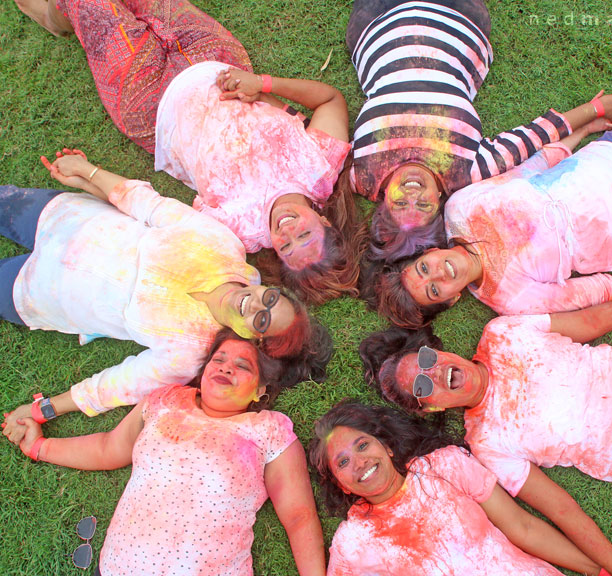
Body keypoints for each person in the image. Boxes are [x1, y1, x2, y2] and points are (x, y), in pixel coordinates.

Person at [360, 270, 612, 574]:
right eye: (422, 385)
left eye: (426, 358)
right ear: (431, 408)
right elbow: (562, 509)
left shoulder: (502, 333)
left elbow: (589, 322)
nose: (435, 372)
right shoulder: (487, 443)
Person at [13, 0, 364, 304]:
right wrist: (263, 84)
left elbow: (154, 210)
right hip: (214, 57)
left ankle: (55, 15)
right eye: (304, 235)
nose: (287, 232)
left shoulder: (236, 232)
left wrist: (86, 174)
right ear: (324, 220)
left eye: (286, 247)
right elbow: (330, 100)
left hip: (151, 102)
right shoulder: (319, 168)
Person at [0, 150, 331, 436]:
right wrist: (87, 175)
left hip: (37, 292)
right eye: (270, 299)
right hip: (65, 217)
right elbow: (148, 206)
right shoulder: (223, 245)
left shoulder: (188, 352)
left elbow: (117, 385)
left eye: (261, 319)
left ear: (252, 336)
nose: (255, 304)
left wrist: (44, 409)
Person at [4, 330, 326, 576]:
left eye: (242, 366)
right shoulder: (165, 402)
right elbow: (108, 448)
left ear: (260, 390)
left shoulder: (267, 431)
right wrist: (39, 446)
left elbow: (299, 517)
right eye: (219, 359)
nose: (226, 368)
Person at [342, 0, 612, 263]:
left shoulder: (361, 175)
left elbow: (313, 155)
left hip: (377, 23)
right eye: (422, 206)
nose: (412, 193)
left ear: (382, 206)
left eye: (400, 203)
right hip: (459, 19)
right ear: (440, 206)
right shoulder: (465, 173)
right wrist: (594, 110)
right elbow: (529, 138)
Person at [376, 110, 612, 327]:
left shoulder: (460, 208)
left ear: (427, 253)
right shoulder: (510, 298)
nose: (438, 273)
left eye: (423, 268)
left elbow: (531, 169)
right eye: (434, 289)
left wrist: (584, 130)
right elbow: (600, 290)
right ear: (450, 300)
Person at [309, 401, 612, 576]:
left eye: (362, 445)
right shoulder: (352, 544)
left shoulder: (443, 466)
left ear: (385, 446)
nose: (358, 462)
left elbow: (524, 528)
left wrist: (602, 571)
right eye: (342, 463)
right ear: (341, 485)